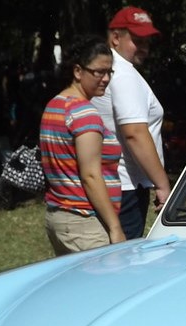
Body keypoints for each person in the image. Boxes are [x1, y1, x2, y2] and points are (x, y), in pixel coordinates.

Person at [40, 36, 126, 255]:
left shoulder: (54, 105)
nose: (106, 79)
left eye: (110, 72)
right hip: (85, 223)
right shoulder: (84, 114)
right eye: (99, 72)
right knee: (104, 288)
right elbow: (90, 176)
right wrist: (115, 227)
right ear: (78, 71)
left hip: (58, 218)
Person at [93, 6, 170, 239]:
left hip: (113, 183)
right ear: (116, 37)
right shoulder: (123, 74)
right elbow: (134, 132)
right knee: (122, 263)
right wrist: (163, 185)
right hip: (125, 188)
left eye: (148, 41)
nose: (145, 48)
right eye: (138, 40)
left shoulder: (107, 69)